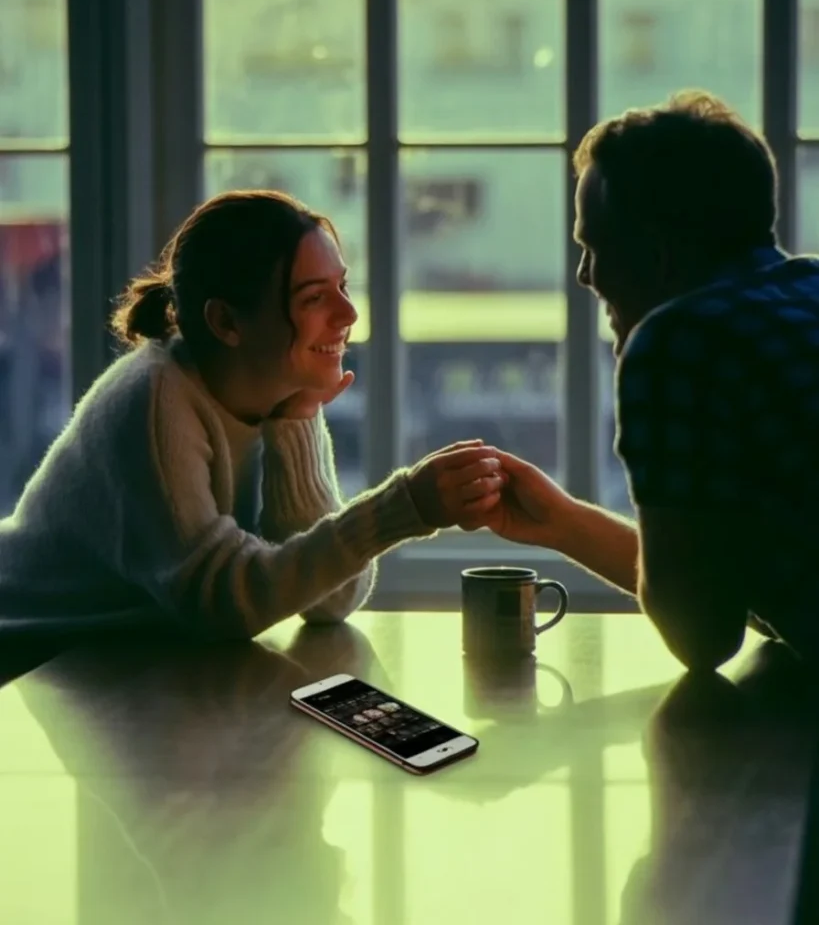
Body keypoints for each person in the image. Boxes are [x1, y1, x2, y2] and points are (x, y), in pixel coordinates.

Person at [0, 190, 503, 651]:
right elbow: (223, 602)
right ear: (226, 322)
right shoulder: (155, 399)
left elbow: (330, 602)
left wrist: (298, 418)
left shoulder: (273, 394)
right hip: (32, 668)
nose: (348, 313)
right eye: (313, 297)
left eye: (342, 286)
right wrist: (405, 507)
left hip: (126, 665)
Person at [470, 91, 819, 672]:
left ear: (656, 253)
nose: (584, 276)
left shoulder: (683, 340)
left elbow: (704, 635)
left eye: (593, 247)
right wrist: (565, 524)